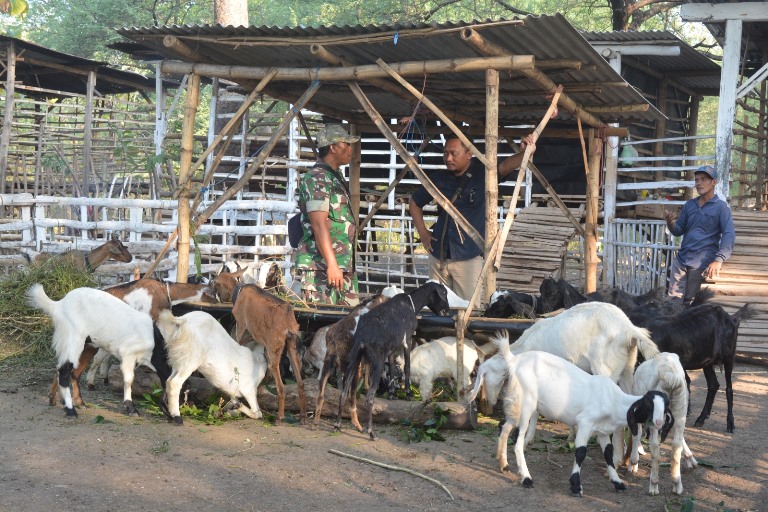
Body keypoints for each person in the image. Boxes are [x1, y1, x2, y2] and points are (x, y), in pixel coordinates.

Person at [408, 134, 536, 301]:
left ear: (469, 154)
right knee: (437, 310)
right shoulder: (439, 178)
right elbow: (414, 202)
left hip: (468, 256)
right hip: (438, 254)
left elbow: (505, 166)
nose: (448, 158)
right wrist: (423, 233)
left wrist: (526, 152)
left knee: (468, 309)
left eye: (454, 153)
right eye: (445, 153)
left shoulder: (483, 173)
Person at [294, 124, 360, 306]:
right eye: (345, 144)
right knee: (323, 325)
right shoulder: (317, 179)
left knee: (348, 327)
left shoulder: (333, 176)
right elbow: (318, 224)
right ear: (332, 147)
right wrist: (332, 264)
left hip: (341, 267)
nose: (350, 148)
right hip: (322, 270)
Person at [665, 165, 735, 305]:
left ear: (714, 182)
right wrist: (671, 224)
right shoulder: (689, 205)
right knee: (672, 303)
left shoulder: (721, 207)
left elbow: (729, 234)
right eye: (697, 180)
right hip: (682, 260)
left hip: (701, 264)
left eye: (703, 179)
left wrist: (719, 260)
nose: (699, 183)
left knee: (691, 303)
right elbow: (679, 230)